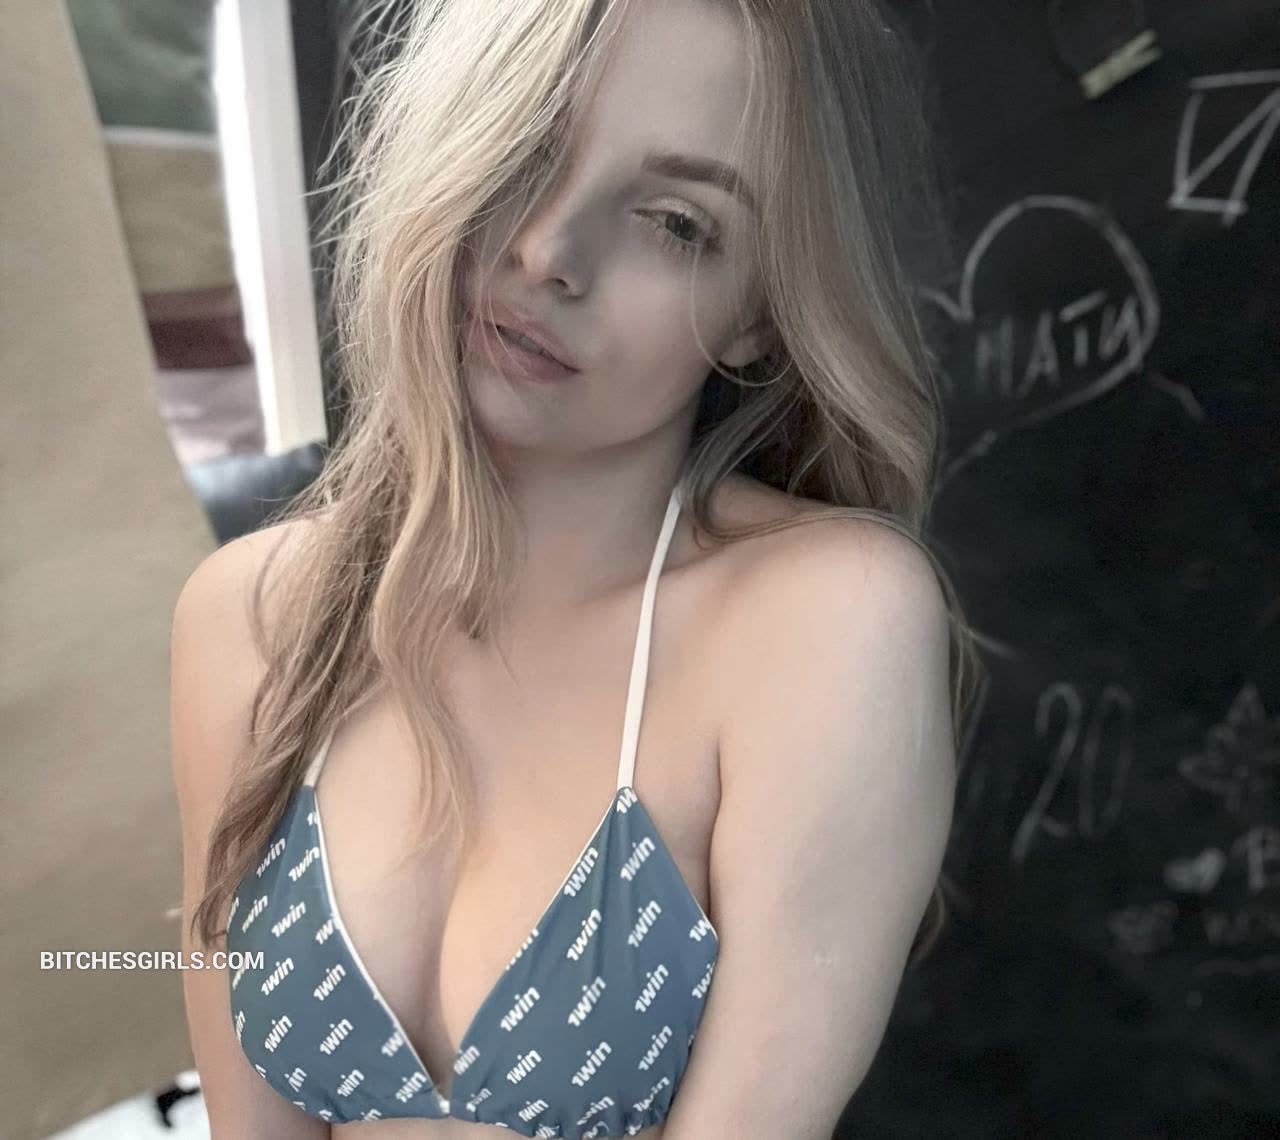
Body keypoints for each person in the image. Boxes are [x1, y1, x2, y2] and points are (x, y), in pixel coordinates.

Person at [171, 0, 980, 1136]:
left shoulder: (826, 621)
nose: (549, 255)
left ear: (756, 315)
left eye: (675, 223)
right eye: (526, 149)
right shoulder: (249, 619)